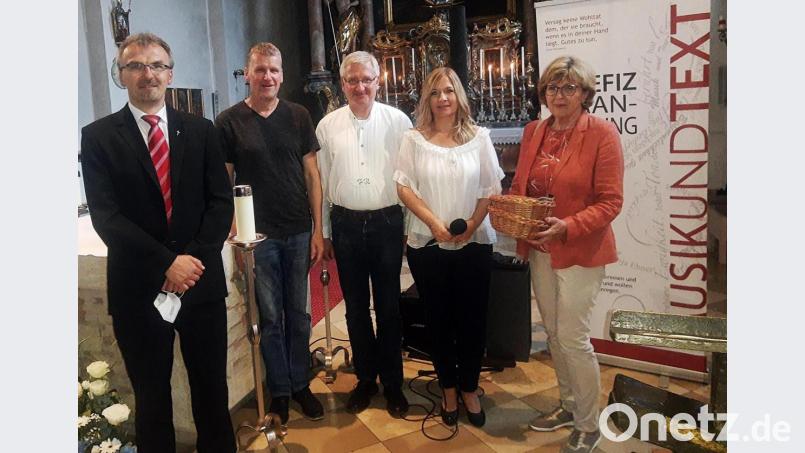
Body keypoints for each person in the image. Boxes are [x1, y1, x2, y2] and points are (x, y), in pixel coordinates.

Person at [81, 33, 235, 452]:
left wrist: (190, 264)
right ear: (121, 75)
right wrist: (166, 264)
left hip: (199, 284)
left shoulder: (201, 131)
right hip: (138, 288)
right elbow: (106, 217)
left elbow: (220, 205)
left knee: (211, 391)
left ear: (170, 73)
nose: (147, 73)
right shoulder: (97, 137)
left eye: (156, 65)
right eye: (135, 66)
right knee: (151, 397)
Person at [510, 56, 624, 453]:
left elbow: (611, 202)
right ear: (544, 93)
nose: (560, 95)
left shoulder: (602, 134)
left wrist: (568, 226)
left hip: (580, 249)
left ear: (585, 93)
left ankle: (589, 424)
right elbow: (522, 186)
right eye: (553, 88)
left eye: (569, 88)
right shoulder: (534, 131)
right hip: (541, 249)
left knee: (574, 338)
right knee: (555, 336)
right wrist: (515, 217)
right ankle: (569, 405)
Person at [215, 42, 325, 424]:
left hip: (297, 230)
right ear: (247, 74)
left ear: (282, 75)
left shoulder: (298, 115)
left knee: (299, 314)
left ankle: (301, 384)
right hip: (258, 237)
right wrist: (233, 229)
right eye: (260, 70)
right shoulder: (229, 121)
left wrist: (318, 229)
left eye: (274, 70)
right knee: (272, 316)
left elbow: (313, 175)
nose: (268, 77)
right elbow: (224, 180)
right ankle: (280, 390)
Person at [394, 67, 504, 428]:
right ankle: (448, 389)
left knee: (472, 320)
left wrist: (472, 224)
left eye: (449, 91)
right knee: (438, 320)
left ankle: (470, 388)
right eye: (436, 93)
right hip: (429, 243)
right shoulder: (414, 139)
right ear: (427, 99)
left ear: (459, 96)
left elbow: (491, 187)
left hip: (474, 243)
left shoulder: (479, 137)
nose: (443, 98)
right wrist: (434, 224)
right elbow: (404, 188)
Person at [315, 51, 412, 416]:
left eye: (366, 80)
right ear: (342, 85)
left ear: (378, 81)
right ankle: (366, 379)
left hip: (387, 221)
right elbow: (321, 184)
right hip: (346, 224)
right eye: (352, 80)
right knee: (355, 308)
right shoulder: (327, 126)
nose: (360, 87)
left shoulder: (399, 122)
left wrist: (408, 226)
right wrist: (323, 233)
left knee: (388, 306)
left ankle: (393, 384)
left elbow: (409, 178)